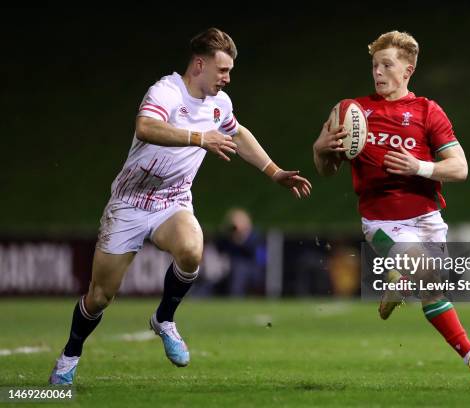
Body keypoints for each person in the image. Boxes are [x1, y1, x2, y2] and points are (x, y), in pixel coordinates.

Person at [49, 27, 312, 385]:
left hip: (172, 201)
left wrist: (275, 171)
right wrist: (199, 138)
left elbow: (238, 134)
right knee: (99, 296)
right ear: (199, 64)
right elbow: (145, 127)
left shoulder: (220, 105)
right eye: (222, 70)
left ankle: (164, 319)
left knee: (191, 250)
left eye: (230, 71)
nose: (227, 78)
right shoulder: (167, 91)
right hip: (129, 203)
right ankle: (70, 355)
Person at [312, 31, 470, 381]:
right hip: (380, 222)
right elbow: (327, 170)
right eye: (374, 66)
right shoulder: (354, 110)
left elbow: (460, 168)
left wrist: (419, 167)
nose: (378, 72)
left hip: (427, 217)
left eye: (386, 65)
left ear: (407, 70)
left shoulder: (428, 111)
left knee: (432, 289)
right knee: (423, 270)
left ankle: (401, 287)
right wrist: (320, 148)